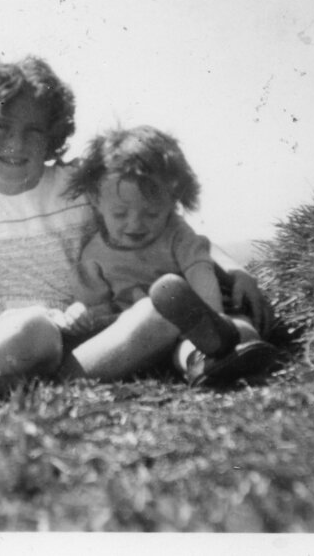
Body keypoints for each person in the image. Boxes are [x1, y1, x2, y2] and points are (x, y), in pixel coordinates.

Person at [0, 57, 273, 390]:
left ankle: (202, 357)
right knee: (26, 329)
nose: (16, 143)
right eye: (0, 128)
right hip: (22, 333)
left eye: (33, 130)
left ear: (53, 135)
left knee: (159, 305)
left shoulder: (81, 186)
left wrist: (236, 270)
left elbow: (180, 233)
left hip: (99, 326)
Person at [57, 126, 277, 386]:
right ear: (96, 199)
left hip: (201, 315)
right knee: (165, 331)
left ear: (173, 201)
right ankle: (210, 357)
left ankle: (206, 363)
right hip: (145, 331)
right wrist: (81, 314)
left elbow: (199, 270)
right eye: (119, 214)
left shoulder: (176, 233)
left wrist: (214, 318)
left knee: (241, 332)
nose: (135, 224)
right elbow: (96, 306)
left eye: (151, 213)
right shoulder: (94, 254)